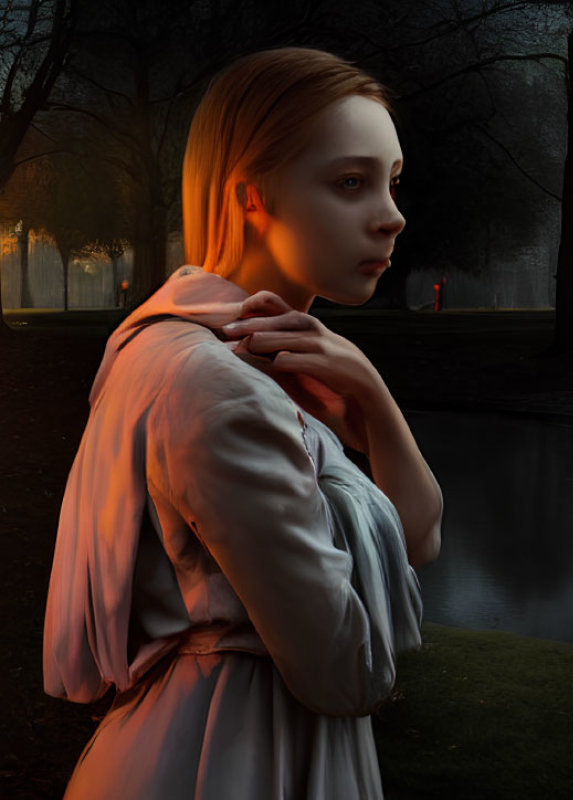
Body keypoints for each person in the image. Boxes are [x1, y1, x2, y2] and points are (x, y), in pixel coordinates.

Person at [43, 47, 442, 800]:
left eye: (391, 183)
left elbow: (419, 537)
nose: (391, 217)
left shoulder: (188, 348)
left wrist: (373, 399)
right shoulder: (219, 387)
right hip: (227, 757)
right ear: (252, 194)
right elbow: (348, 672)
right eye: (350, 183)